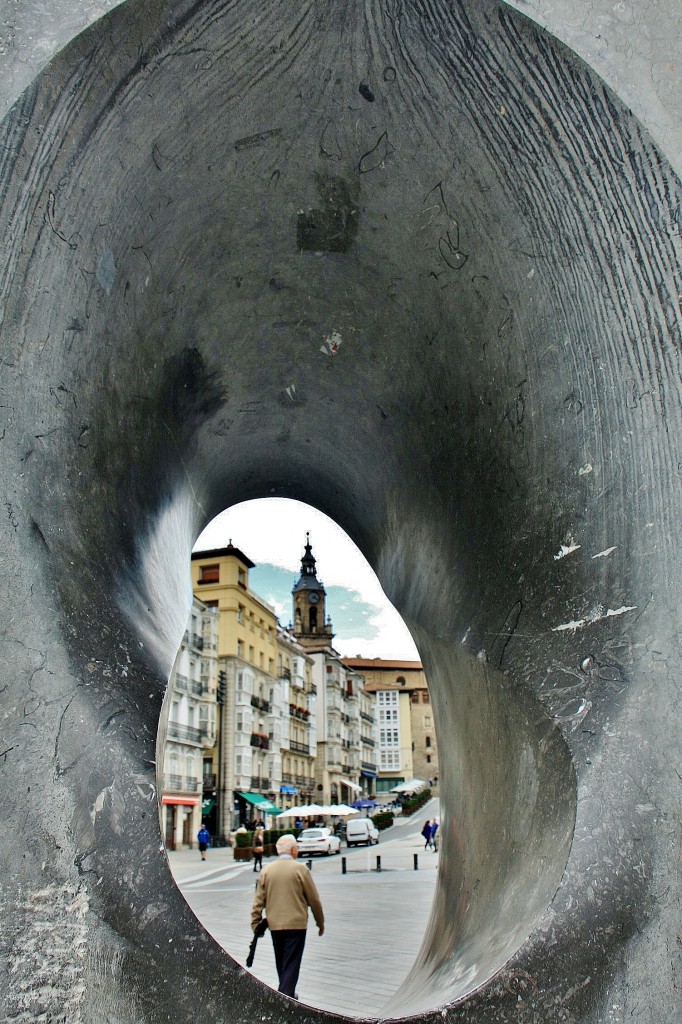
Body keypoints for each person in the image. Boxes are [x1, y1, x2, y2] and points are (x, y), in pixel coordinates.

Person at [251, 833, 324, 999]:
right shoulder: (301, 870)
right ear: (292, 850)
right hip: (297, 924)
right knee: (292, 961)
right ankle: (286, 996)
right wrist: (320, 922)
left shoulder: (267, 871)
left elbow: (258, 901)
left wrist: (256, 924)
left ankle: (287, 992)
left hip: (275, 925)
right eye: (296, 848)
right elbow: (314, 899)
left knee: (282, 961)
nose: (297, 851)